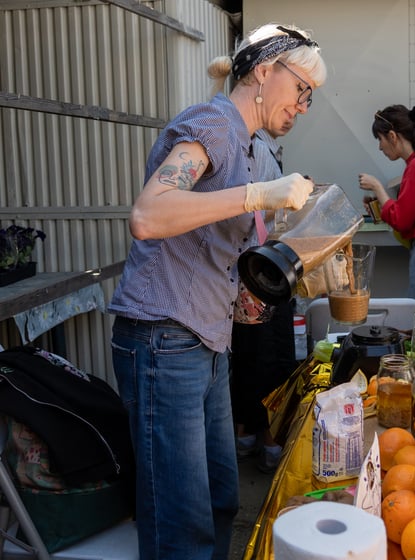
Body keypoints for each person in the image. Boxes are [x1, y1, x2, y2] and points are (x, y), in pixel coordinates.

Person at [108, 23, 325, 560]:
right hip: (163, 335)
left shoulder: (247, 142)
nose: (302, 106)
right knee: (182, 519)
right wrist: (258, 193)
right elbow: (150, 213)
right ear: (264, 71)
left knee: (219, 500)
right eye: (301, 89)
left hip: (204, 336)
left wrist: (240, 289)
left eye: (310, 97)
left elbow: (209, 240)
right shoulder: (215, 123)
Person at [231, 125, 299, 474]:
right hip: (262, 270)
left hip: (250, 270)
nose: (296, 112)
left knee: (248, 353)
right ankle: (270, 438)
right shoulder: (254, 144)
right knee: (269, 356)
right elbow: (254, 210)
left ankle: (247, 433)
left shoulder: (262, 143)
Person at [358, 105, 415, 305]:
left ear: (392, 136)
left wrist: (378, 188)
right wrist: (381, 204)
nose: (380, 147)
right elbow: (412, 212)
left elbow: (402, 220)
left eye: (380, 139)